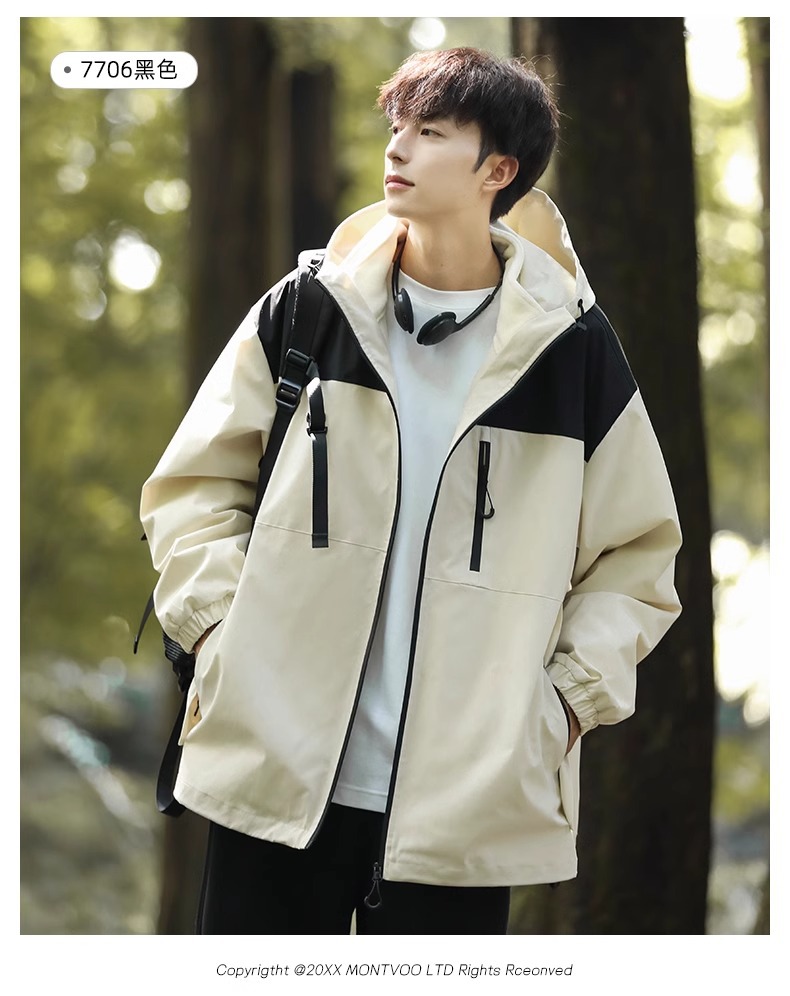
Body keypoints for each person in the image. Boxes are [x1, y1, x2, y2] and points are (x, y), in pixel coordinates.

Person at [140, 46, 682, 935]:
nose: (398, 146)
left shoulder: (573, 352)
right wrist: (221, 635)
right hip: (275, 773)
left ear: (497, 170)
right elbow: (194, 489)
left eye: (432, 131)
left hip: (467, 805)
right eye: (398, 125)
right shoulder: (308, 310)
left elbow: (638, 556)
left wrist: (560, 707)